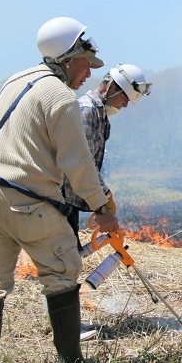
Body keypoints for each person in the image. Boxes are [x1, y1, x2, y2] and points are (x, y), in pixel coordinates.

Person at [0, 17, 122, 363]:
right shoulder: (59, 96)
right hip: (30, 201)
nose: (88, 74)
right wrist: (101, 208)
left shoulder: (14, 81)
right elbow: (77, 163)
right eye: (85, 63)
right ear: (68, 58)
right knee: (63, 271)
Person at [62, 63, 152, 241]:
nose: (125, 105)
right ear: (112, 87)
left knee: (71, 259)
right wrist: (101, 205)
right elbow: (82, 163)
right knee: (66, 262)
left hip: (68, 201)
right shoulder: (87, 111)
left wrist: (104, 193)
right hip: (60, 200)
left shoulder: (99, 114)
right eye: (125, 99)